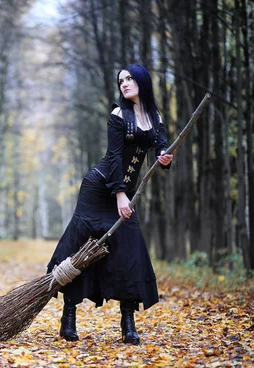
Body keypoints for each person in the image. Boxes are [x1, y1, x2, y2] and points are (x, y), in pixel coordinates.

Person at [46, 64, 173, 344]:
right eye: (121, 81)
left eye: (129, 79)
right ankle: (69, 315)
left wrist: (164, 157)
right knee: (80, 251)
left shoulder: (154, 116)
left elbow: (160, 146)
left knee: (129, 251)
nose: (124, 84)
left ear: (142, 80)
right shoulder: (119, 114)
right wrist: (119, 193)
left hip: (124, 193)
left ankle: (128, 321)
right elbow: (115, 157)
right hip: (99, 190)